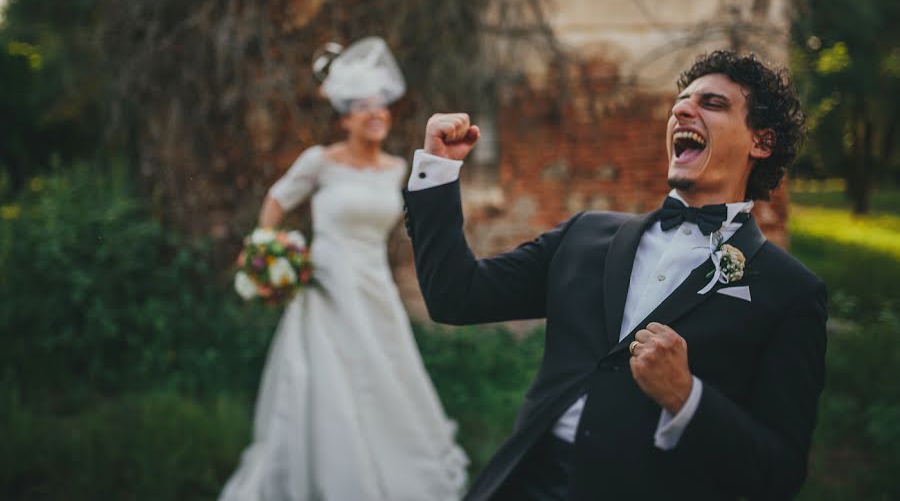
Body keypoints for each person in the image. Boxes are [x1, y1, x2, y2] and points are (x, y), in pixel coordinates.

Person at [402, 50, 826, 500]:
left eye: (713, 103)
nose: (682, 109)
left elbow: (777, 473)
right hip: (526, 484)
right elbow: (456, 296)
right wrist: (438, 172)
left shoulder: (790, 292)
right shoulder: (585, 236)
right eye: (680, 102)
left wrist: (685, 396)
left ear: (761, 142)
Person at [220, 37, 467, 501]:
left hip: (374, 290)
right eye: (362, 107)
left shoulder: (397, 169)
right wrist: (268, 250)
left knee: (384, 380)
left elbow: (425, 216)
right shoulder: (320, 162)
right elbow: (276, 200)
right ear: (345, 117)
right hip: (325, 292)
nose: (375, 114)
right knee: (324, 389)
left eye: (381, 106)